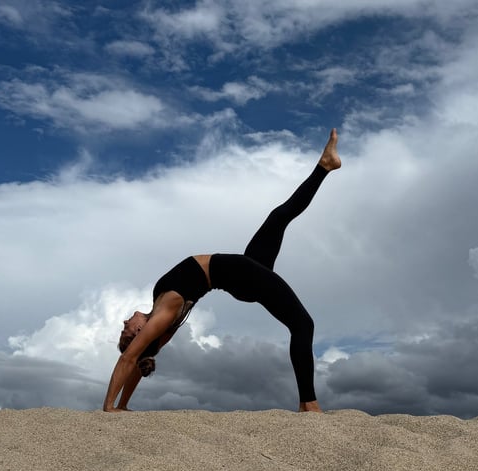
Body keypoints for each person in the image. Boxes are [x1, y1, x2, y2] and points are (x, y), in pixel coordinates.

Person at [103, 129, 342, 413]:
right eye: (126, 330)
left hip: (242, 275)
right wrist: (109, 408)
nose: (124, 322)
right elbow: (129, 358)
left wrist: (123, 405)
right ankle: (308, 404)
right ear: (140, 331)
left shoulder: (161, 316)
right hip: (242, 275)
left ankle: (325, 165)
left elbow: (137, 359)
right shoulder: (164, 312)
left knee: (279, 217)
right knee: (303, 324)